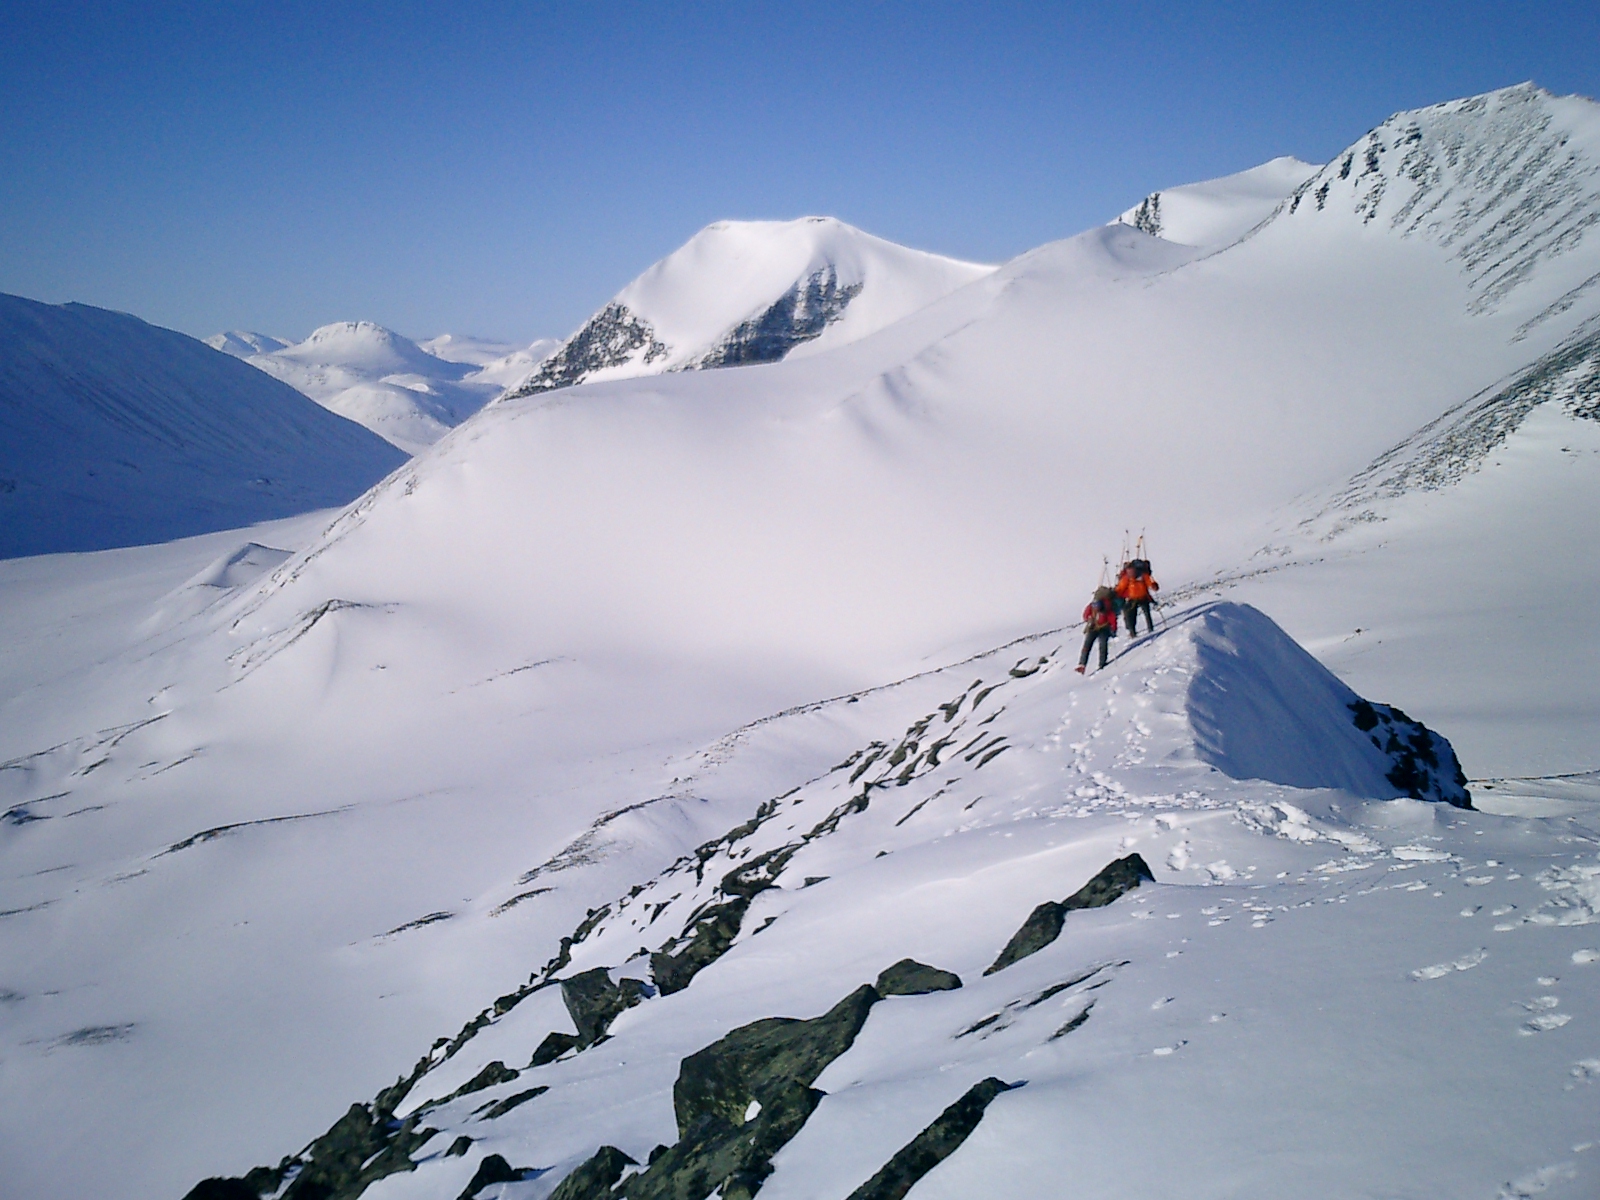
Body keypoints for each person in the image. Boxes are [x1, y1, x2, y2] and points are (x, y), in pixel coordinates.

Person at [1076, 585, 1118, 673]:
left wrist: (1113, 629)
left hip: (1104, 627)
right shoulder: (1092, 607)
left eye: (1097, 605)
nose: (1096, 607)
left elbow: (1112, 618)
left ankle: (1102, 663)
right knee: (1087, 645)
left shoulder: (1106, 608)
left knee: (1102, 645)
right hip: (1093, 627)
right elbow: (1085, 615)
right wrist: (1088, 618)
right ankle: (1082, 664)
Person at [1116, 558, 1159, 637]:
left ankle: (1134, 632)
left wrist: (1153, 586)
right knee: (1142, 614)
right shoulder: (1135, 577)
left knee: (1136, 615)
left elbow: (1120, 589)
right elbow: (1120, 588)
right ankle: (1147, 629)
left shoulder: (1132, 577)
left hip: (1137, 598)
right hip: (1138, 598)